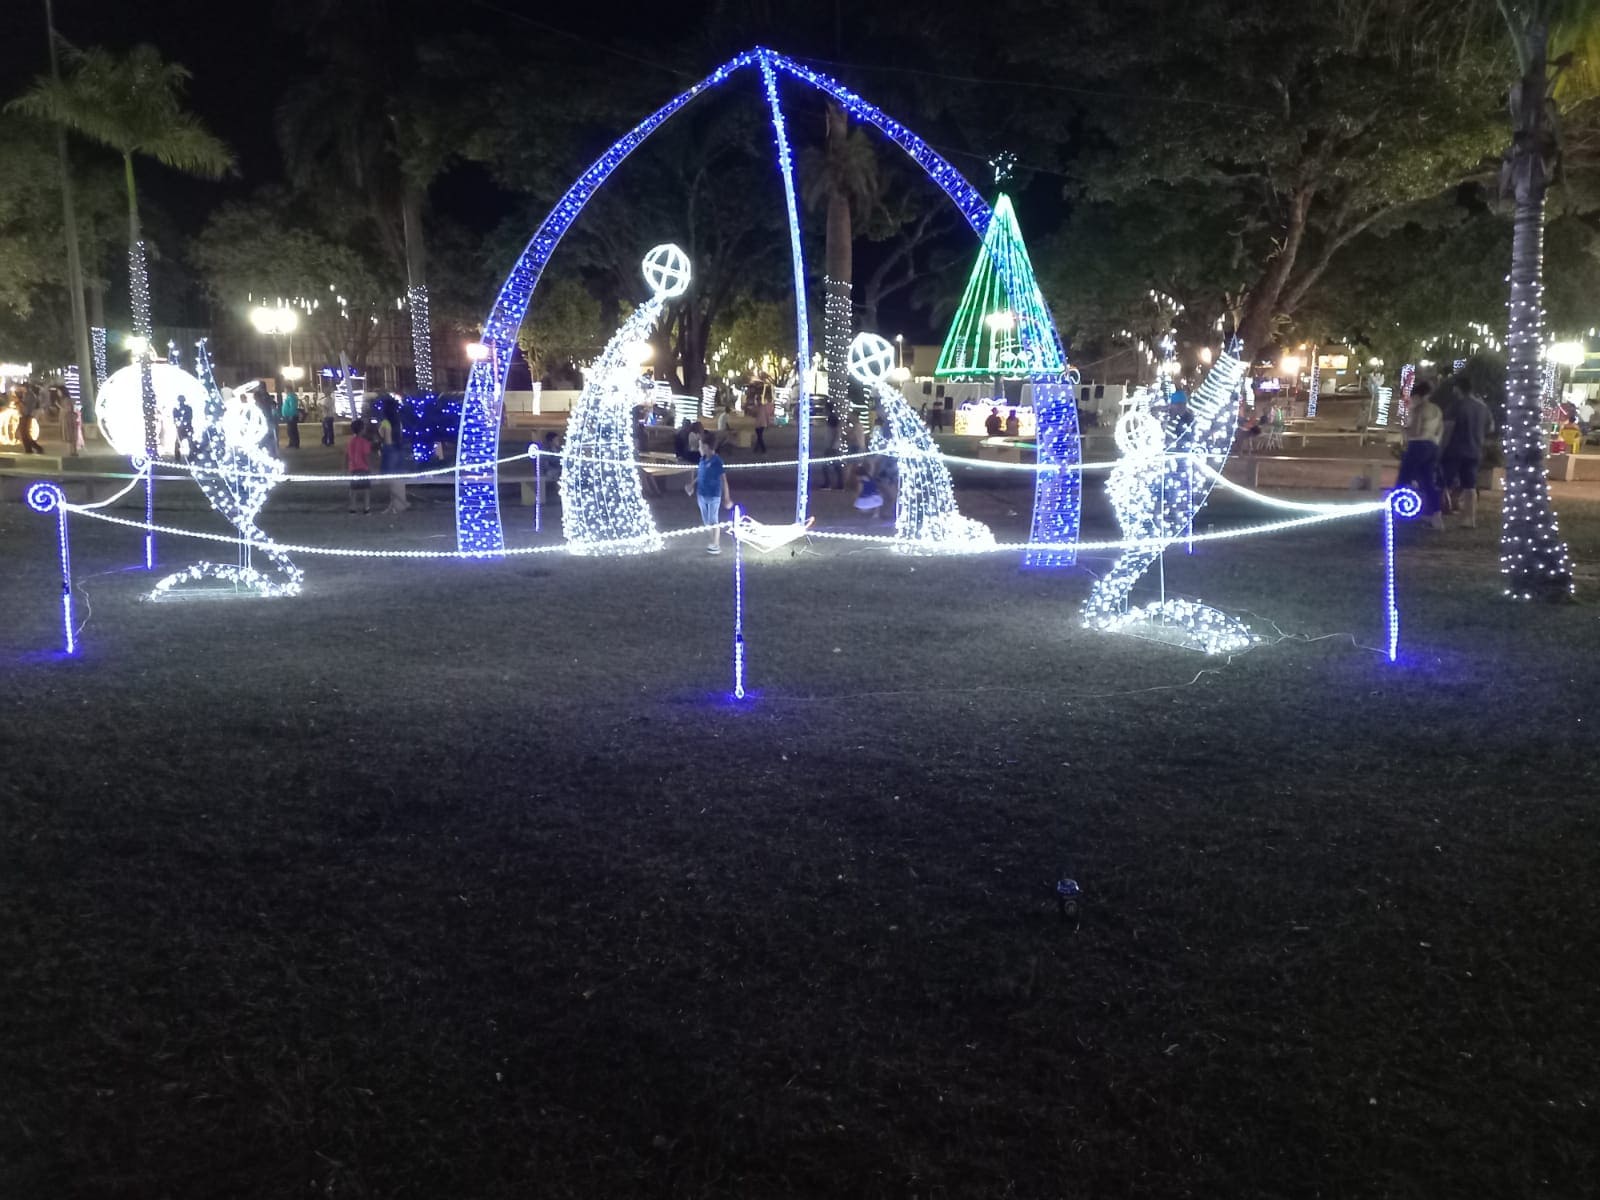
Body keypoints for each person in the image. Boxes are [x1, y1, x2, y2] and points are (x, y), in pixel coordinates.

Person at [1396, 380, 1445, 530]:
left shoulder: (1419, 409)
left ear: (1417, 395)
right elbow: (1440, 430)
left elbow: (1415, 431)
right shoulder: (1437, 410)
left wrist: (1404, 429)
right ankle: (1435, 515)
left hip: (1417, 445)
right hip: (1433, 446)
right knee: (1428, 481)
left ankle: (1398, 512)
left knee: (1404, 478)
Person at [685, 428, 731, 553]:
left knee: (713, 519)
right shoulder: (702, 460)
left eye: (699, 446)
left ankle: (716, 544)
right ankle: (713, 542)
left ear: (705, 446)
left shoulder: (717, 461)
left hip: (714, 495)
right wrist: (691, 484)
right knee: (706, 521)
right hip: (701, 494)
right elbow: (701, 475)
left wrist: (726, 497)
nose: (698, 448)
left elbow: (724, 479)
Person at [377, 396, 409, 514]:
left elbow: (384, 437)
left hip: (389, 450)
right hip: (399, 448)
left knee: (390, 479)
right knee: (398, 478)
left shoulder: (385, 422)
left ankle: (395, 504)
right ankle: (399, 503)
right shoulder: (398, 421)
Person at [346, 417, 373, 514]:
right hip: (364, 468)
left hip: (354, 468)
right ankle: (366, 507)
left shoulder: (351, 441)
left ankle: (352, 507)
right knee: (366, 489)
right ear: (362, 430)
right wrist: (370, 466)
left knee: (354, 489)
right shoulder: (365, 442)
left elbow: (348, 454)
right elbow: (366, 455)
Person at [820, 411, 845, 490]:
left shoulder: (832, 426)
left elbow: (834, 436)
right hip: (834, 447)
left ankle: (828, 484)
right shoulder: (834, 424)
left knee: (826, 466)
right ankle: (839, 484)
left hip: (831, 448)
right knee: (836, 467)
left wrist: (830, 446)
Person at [16, 385, 43, 454]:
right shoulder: (26, 395)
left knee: (25, 434)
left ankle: (34, 448)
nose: (19, 389)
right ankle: (29, 449)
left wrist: (20, 401)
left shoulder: (30, 396)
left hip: (26, 416)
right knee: (24, 434)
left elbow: (27, 407)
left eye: (20, 387)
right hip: (24, 415)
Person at [172, 394, 195, 463]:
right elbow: (175, 419)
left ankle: (191, 456)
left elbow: (190, 417)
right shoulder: (176, 409)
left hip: (187, 427)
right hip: (182, 428)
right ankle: (177, 457)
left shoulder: (187, 408)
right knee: (178, 443)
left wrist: (182, 422)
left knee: (190, 443)